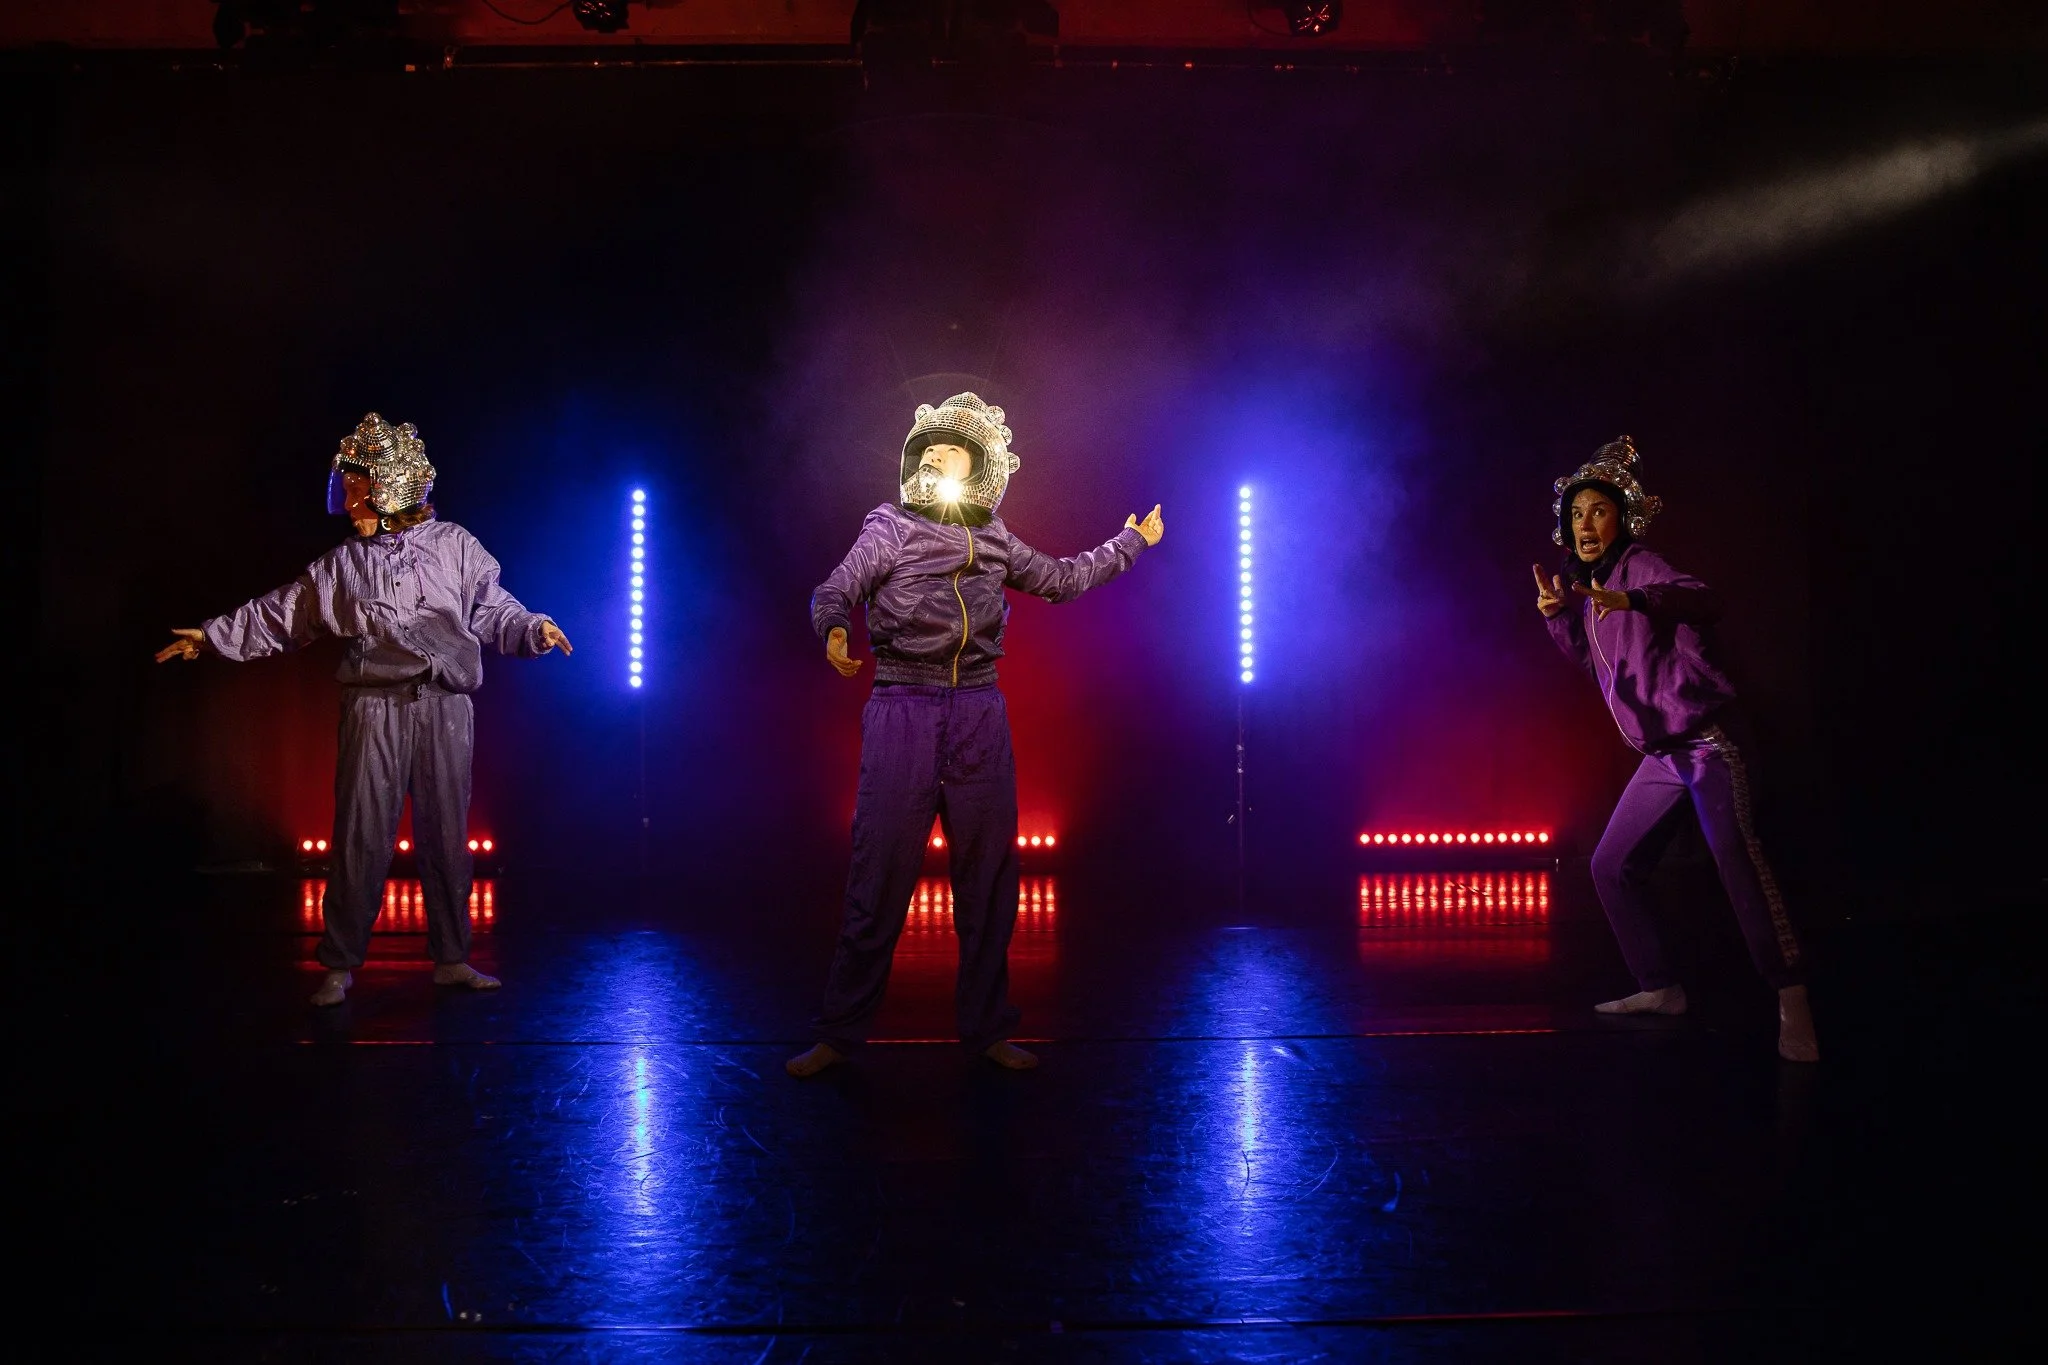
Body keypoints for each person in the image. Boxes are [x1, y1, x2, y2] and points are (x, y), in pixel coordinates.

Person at [787, 393, 1164, 1077]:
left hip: (979, 714)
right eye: (925, 453)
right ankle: (839, 1033)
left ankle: (987, 1028)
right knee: (880, 877)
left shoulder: (993, 533)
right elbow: (834, 589)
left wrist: (1131, 542)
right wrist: (836, 631)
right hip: (904, 703)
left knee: (989, 881)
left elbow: (1061, 578)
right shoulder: (890, 525)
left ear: (978, 466)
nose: (933, 461)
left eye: (947, 453)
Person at [156, 413, 572, 1007]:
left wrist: (533, 628)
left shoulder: (455, 546)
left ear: (391, 489)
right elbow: (283, 613)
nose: (350, 506)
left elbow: (492, 608)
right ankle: (340, 963)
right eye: (349, 492)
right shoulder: (344, 566)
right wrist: (210, 635)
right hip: (373, 707)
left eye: (360, 491)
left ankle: (452, 959)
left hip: (446, 706)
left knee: (447, 836)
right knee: (360, 834)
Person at [1533, 436, 1818, 1062]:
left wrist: (1633, 597)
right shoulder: (1593, 594)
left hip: (1709, 742)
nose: (1585, 523)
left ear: (1620, 520)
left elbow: (1703, 599)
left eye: (1598, 511)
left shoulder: (1640, 567)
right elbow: (1594, 664)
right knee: (1610, 867)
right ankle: (1659, 987)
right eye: (1576, 514)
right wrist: (1559, 616)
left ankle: (1792, 997)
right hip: (1662, 755)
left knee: (1735, 860)